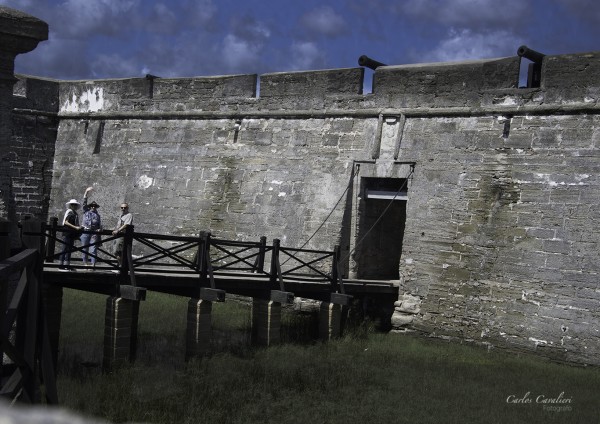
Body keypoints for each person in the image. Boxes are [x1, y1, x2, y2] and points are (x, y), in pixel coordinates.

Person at [80, 186, 102, 268]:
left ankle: (93, 264)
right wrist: (86, 192)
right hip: (85, 231)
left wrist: (100, 229)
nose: (93, 207)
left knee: (93, 249)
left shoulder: (98, 215)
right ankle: (85, 263)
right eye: (92, 206)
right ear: (90, 206)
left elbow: (99, 225)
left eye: (95, 206)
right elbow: (84, 202)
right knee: (84, 249)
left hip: (93, 233)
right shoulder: (86, 211)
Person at [59, 198, 82, 270]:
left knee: (69, 249)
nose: (74, 206)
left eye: (75, 205)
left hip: (71, 234)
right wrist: (75, 227)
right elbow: (66, 222)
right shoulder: (69, 212)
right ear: (71, 206)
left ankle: (67, 265)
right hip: (67, 233)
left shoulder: (75, 213)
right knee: (64, 249)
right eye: (73, 205)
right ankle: (61, 265)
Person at [112, 203, 133, 267]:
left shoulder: (129, 215)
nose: (123, 209)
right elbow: (119, 225)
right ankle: (120, 265)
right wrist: (114, 229)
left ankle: (121, 266)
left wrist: (117, 231)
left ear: (127, 208)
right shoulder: (121, 215)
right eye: (122, 207)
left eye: (125, 207)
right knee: (116, 251)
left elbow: (126, 225)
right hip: (118, 235)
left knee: (117, 251)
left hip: (122, 235)